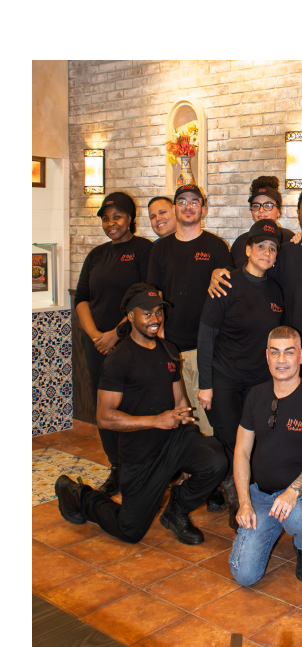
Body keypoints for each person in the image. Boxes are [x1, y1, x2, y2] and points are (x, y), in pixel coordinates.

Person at [55, 284, 228, 545]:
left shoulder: (169, 350)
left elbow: (180, 401)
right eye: (147, 314)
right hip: (140, 453)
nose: (155, 319)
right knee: (130, 530)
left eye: (158, 312)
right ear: (130, 316)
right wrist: (156, 421)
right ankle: (78, 496)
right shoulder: (118, 360)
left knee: (215, 458)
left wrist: (189, 450)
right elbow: (104, 417)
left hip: (173, 442)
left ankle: (176, 511)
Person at [210, 182, 302, 497]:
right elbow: (255, 278)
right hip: (286, 361)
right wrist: (220, 273)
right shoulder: (284, 252)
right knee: (289, 430)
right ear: (297, 212)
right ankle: (293, 493)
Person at [197, 219, 285, 530]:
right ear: (247, 249)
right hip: (224, 377)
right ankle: (236, 496)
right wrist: (205, 384)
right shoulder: (226, 283)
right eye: (260, 246)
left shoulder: (275, 290)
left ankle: (242, 492)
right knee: (231, 439)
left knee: (253, 439)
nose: (266, 252)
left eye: (272, 248)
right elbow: (206, 335)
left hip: (258, 382)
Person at [230, 326, 302, 586]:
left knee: (297, 515)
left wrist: (291, 493)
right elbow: (241, 451)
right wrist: (244, 502)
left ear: (301, 355)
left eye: (289, 352)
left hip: (301, 495)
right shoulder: (256, 396)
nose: (281, 360)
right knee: (244, 576)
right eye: (275, 352)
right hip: (261, 495)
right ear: (267, 356)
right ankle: (273, 522)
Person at [75, 192, 153, 495]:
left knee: (133, 404)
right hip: (97, 345)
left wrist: (115, 334)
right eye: (106, 219)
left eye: (117, 217)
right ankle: (117, 468)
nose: (111, 223)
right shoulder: (96, 255)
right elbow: (82, 298)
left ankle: (139, 468)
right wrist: (96, 335)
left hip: (131, 342)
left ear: (130, 218)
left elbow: (146, 297)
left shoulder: (143, 249)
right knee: (105, 408)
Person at [147, 184, 233, 435]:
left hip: (206, 348)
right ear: (175, 209)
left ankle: (208, 459)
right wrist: (158, 335)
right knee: (175, 414)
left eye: (194, 202)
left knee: (206, 416)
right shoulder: (160, 249)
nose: (188, 206)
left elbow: (228, 299)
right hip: (169, 346)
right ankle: (183, 457)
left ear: (203, 209)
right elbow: (154, 295)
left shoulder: (217, 247)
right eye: (182, 201)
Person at [229, 175, 295, 268]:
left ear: (278, 211)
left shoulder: (289, 239)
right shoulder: (240, 242)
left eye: (268, 205)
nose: (261, 210)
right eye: (256, 206)